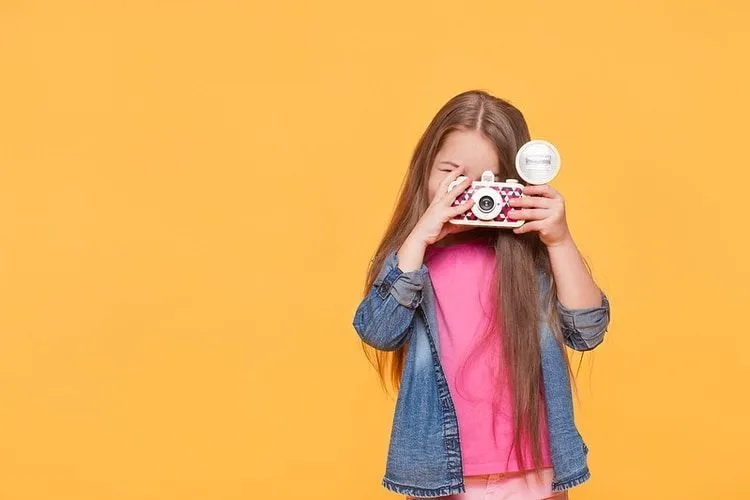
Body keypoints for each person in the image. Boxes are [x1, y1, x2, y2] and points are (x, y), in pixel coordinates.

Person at [352, 90, 611, 499]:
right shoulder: (412, 259)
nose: (467, 192)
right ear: (424, 168)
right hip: (441, 472)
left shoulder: (532, 256)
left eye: (485, 181)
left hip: (535, 468)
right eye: (450, 172)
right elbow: (378, 331)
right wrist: (419, 236)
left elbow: (587, 331)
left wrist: (559, 241)